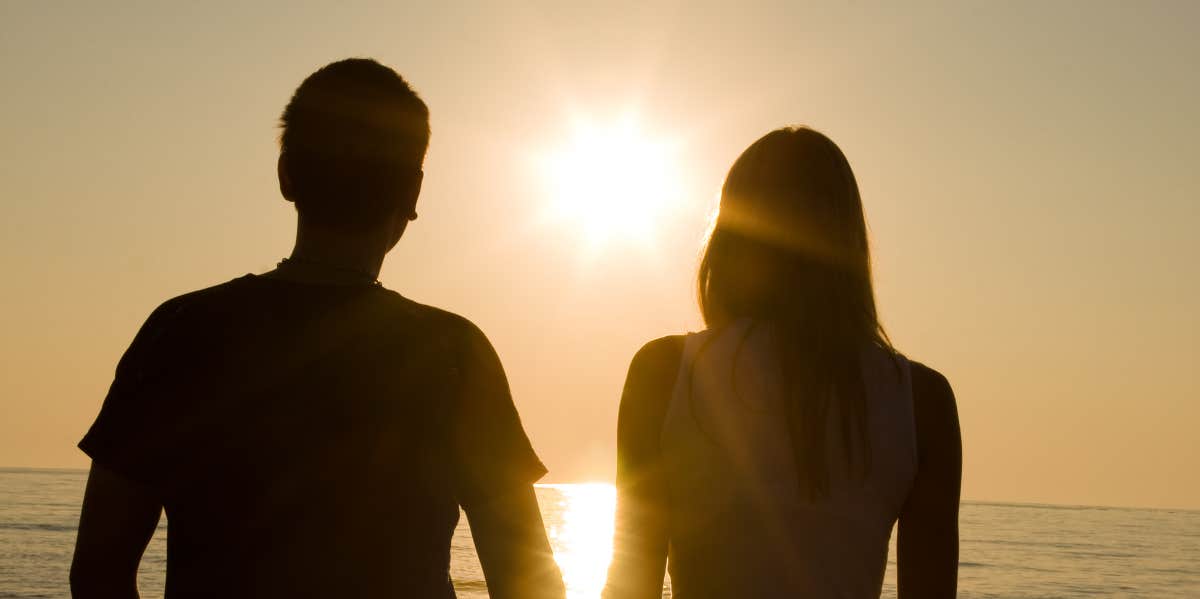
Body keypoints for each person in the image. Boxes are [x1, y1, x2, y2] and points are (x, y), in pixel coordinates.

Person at [70, 58, 565, 599]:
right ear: (413, 191)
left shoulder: (181, 332)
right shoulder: (452, 352)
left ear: (286, 175)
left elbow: (99, 569)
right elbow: (526, 578)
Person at [603, 127, 961, 598]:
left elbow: (631, 583)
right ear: (849, 243)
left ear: (728, 240)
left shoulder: (665, 372)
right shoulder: (921, 401)